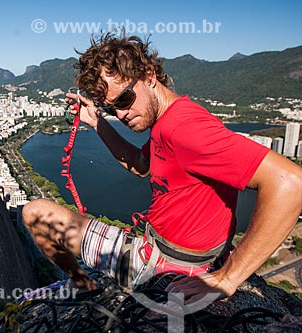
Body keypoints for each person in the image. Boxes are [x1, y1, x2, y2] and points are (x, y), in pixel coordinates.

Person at [22, 33, 302, 303]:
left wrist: (228, 278)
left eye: (124, 100)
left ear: (149, 76)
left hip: (157, 264)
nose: (121, 114)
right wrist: (98, 123)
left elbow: (290, 182)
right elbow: (141, 165)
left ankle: (83, 285)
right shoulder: (175, 118)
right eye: (111, 109)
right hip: (177, 254)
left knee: (35, 212)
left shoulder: (183, 130)